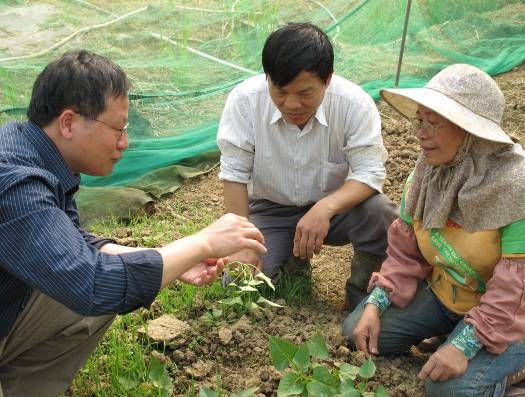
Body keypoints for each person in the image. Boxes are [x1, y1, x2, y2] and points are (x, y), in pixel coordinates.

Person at [0, 50, 267, 397]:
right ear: (68, 123)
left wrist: (172, 256)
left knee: (92, 298)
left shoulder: (33, 149)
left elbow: (75, 244)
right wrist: (203, 242)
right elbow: (92, 284)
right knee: (98, 290)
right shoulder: (16, 183)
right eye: (117, 129)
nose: (125, 143)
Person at [342, 64, 525, 396]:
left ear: (471, 131)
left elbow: (515, 292)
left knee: (448, 389)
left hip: (511, 316)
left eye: (434, 122)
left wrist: (465, 345)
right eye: (419, 120)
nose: (420, 133)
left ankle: (512, 374)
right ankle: (453, 331)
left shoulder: (516, 191)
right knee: (357, 329)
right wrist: (377, 302)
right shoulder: (427, 176)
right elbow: (404, 254)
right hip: (448, 297)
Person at [217, 22, 398, 306]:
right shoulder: (245, 102)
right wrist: (241, 243)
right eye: (280, 91)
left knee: (380, 213)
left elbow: (369, 171)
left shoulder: (354, 105)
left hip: (337, 210)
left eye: (305, 93)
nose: (291, 104)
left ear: (327, 79)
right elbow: (234, 174)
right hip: (270, 210)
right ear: (268, 78)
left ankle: (362, 294)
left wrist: (324, 208)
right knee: (240, 282)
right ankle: (292, 260)